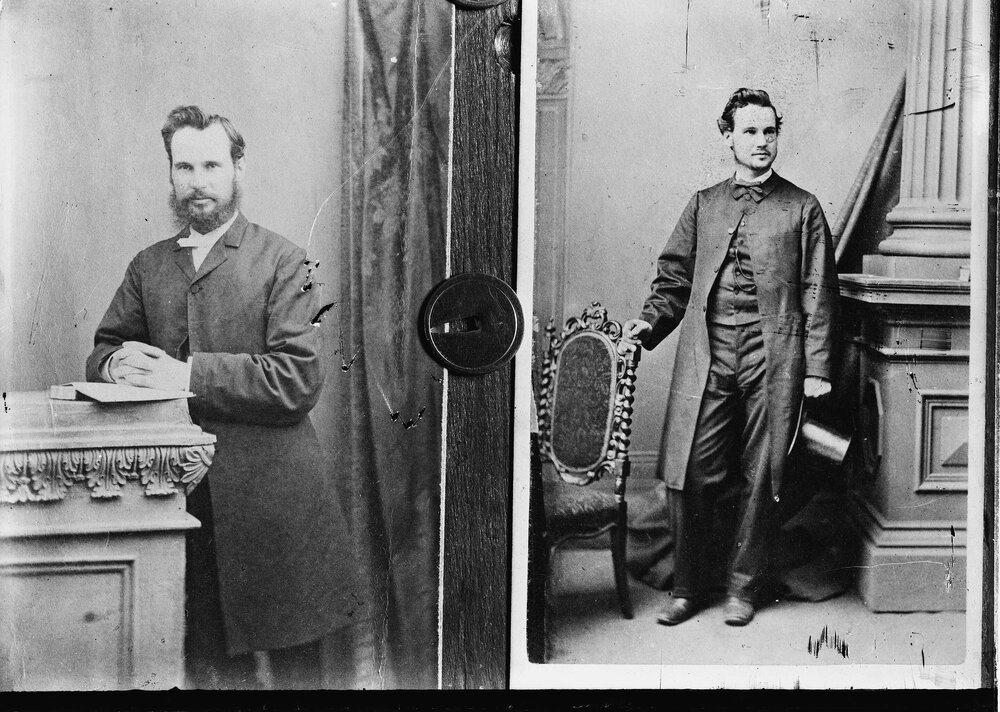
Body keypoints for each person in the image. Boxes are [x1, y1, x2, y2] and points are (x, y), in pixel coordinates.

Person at [86, 106, 358, 688]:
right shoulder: (149, 266)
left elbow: (298, 379)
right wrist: (117, 362)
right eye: (184, 166)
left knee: (296, 674)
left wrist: (182, 375)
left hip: (275, 505)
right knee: (205, 666)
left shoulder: (286, 261)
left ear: (238, 169)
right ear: (171, 176)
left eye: (211, 164)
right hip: (180, 499)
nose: (197, 180)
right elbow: (105, 347)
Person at [622, 88, 838, 627]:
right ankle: (689, 586)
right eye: (749, 131)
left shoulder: (803, 207)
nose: (761, 142)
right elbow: (672, 280)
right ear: (728, 136)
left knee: (764, 473)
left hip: (776, 356)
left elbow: (819, 292)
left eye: (769, 131)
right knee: (690, 471)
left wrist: (816, 369)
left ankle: (744, 587)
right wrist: (648, 323)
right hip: (709, 354)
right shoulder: (702, 203)